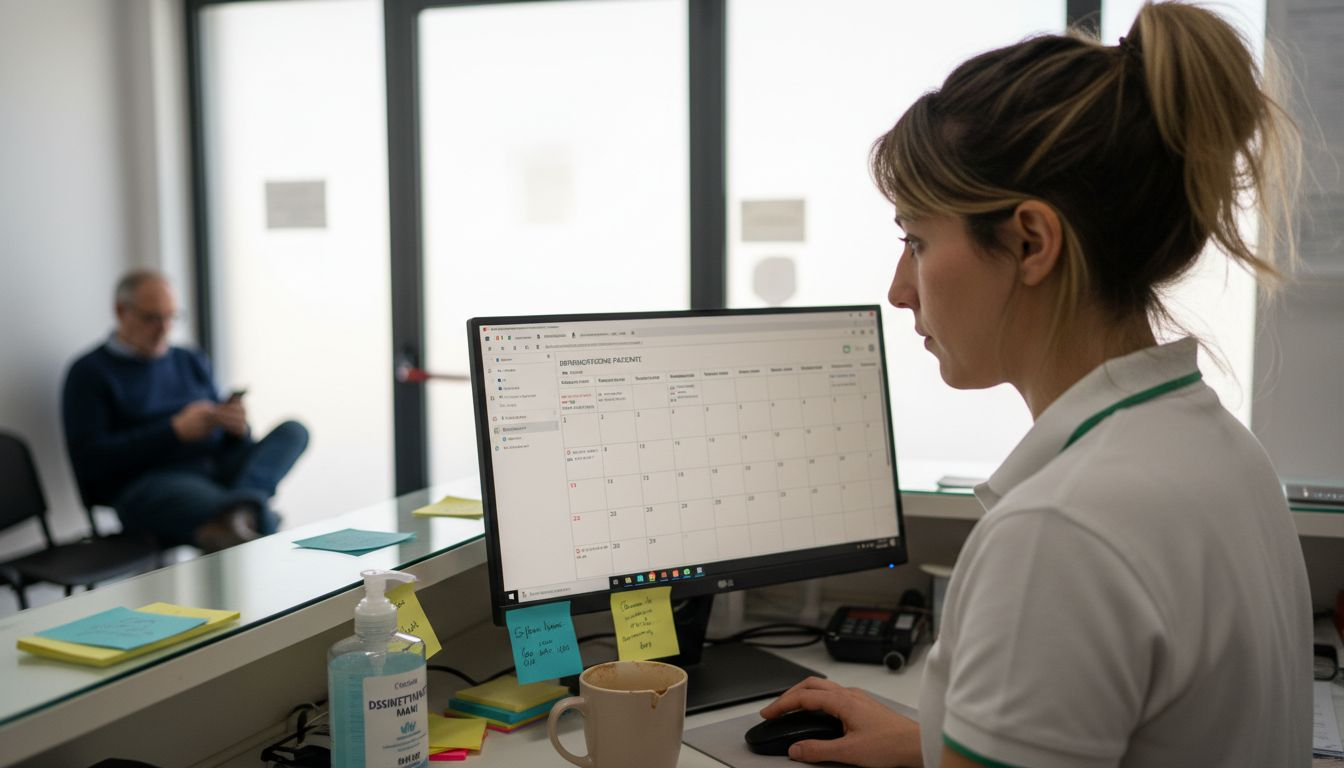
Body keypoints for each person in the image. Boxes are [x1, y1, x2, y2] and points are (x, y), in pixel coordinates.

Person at [760, 3, 1311, 766]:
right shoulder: (1222, 453)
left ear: (1030, 242)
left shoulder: (1060, 532)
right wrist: (939, 747)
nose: (898, 289)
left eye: (917, 241)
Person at [62, 269, 309, 552]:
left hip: (211, 470)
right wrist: (173, 432)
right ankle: (247, 509)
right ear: (121, 311)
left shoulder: (189, 359)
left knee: (293, 431)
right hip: (148, 483)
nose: (164, 328)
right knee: (238, 513)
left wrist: (235, 430)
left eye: (171, 317)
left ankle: (239, 509)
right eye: (152, 318)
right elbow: (91, 461)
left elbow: (227, 443)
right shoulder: (89, 373)